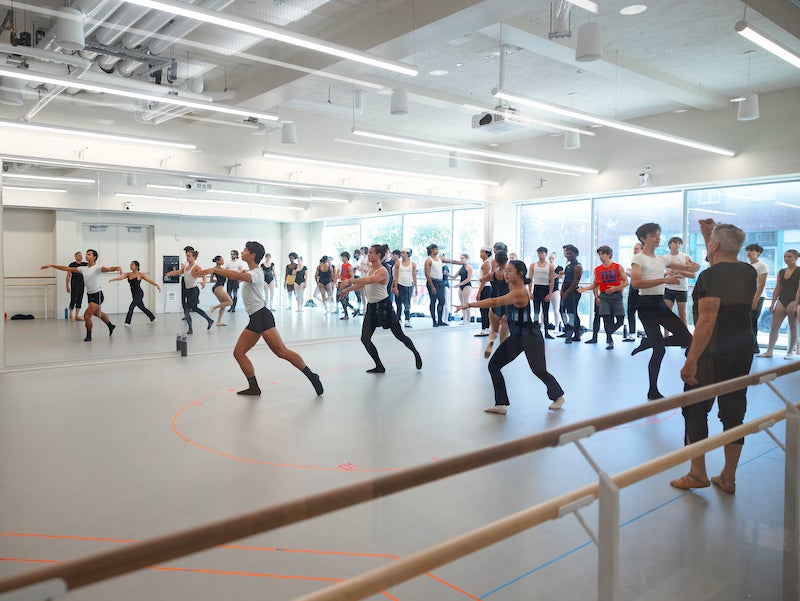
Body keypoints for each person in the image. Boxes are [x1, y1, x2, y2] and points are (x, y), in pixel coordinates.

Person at [670, 220, 757, 494]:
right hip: (742, 349)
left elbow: (707, 321)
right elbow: (721, 263)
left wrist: (691, 359)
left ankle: (697, 473)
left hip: (713, 351)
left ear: (715, 246)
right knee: (734, 411)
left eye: (710, 242)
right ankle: (728, 477)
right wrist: (710, 233)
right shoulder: (748, 271)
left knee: (695, 408)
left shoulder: (710, 276)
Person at [199, 241, 323, 397]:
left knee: (281, 351)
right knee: (239, 353)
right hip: (255, 319)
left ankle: (312, 376)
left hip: (262, 317)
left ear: (253, 255)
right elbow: (239, 275)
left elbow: (239, 276)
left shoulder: (257, 273)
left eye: (245, 250)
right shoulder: (251, 271)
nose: (242, 252)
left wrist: (214, 269)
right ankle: (254, 387)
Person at [456, 260, 566, 414]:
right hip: (517, 336)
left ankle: (558, 396)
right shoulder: (511, 288)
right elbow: (515, 309)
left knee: (539, 370)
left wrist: (468, 305)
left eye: (510, 271)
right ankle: (500, 404)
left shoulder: (519, 292)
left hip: (530, 336)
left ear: (520, 273)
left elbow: (494, 301)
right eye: (505, 270)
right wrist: (508, 318)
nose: (506, 274)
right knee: (494, 365)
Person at [630, 223, 700, 400]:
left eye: (658, 234)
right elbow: (636, 284)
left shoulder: (662, 259)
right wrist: (664, 279)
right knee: (659, 350)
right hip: (646, 306)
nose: (658, 238)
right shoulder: (638, 259)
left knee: (687, 339)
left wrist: (693, 266)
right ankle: (652, 390)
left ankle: (649, 342)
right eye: (653, 235)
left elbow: (691, 269)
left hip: (659, 304)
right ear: (643, 238)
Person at [338, 244, 422, 373]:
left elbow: (371, 280)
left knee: (400, 336)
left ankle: (416, 353)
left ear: (378, 255)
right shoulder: (370, 269)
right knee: (365, 339)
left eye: (371, 253)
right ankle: (379, 366)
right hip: (372, 307)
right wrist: (347, 290)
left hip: (384, 306)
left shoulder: (383, 271)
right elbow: (364, 283)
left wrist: (349, 281)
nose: (369, 255)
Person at [41, 249, 121, 341]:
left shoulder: (97, 268)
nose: (87, 256)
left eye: (89, 254)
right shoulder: (83, 268)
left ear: (94, 257)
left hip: (97, 295)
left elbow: (108, 269)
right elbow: (66, 268)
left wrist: (117, 267)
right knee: (97, 313)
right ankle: (110, 326)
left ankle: (89, 335)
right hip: (90, 295)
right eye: (86, 254)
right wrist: (52, 265)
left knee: (86, 316)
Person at [578, 246, 628, 349]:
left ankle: (609, 333)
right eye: (599, 254)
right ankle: (610, 340)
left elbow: (626, 282)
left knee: (620, 320)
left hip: (616, 296)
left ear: (608, 254)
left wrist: (615, 288)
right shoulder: (597, 269)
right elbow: (595, 284)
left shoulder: (618, 267)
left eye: (603, 254)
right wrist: (585, 288)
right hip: (604, 296)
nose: (600, 256)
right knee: (606, 318)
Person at [758, 249, 799, 359]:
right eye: (785, 256)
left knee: (793, 326)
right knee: (774, 327)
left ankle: (790, 352)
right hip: (782, 300)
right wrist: (772, 303)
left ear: (796, 258)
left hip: (794, 301)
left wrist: (796, 305)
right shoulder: (781, 271)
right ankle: (769, 351)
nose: (786, 259)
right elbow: (777, 288)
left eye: (789, 257)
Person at [165, 248, 214, 335]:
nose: (187, 258)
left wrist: (204, 282)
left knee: (187, 309)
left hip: (194, 291)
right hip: (187, 290)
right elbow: (179, 271)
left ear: (194, 257)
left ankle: (190, 329)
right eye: (186, 256)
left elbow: (203, 274)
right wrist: (170, 273)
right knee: (194, 308)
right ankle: (209, 320)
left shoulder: (196, 267)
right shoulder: (186, 267)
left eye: (189, 256)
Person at [480, 248, 510, 357]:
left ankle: (491, 340)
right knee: (504, 332)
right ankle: (502, 352)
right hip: (506, 304)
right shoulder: (509, 274)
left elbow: (482, 279)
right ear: (507, 260)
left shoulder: (493, 274)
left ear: (496, 261)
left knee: (493, 330)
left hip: (494, 304)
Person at [109, 260, 161, 326]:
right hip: (134, 294)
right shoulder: (128, 274)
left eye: (132, 264)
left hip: (139, 293)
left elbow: (149, 280)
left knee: (131, 307)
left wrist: (157, 285)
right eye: (130, 264)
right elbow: (121, 277)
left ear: (136, 266)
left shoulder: (140, 275)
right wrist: (114, 279)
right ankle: (153, 318)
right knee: (142, 308)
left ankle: (127, 322)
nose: (130, 266)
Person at [663, 236, 694, 326]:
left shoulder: (686, 257)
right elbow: (659, 275)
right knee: (667, 314)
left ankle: (685, 334)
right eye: (675, 242)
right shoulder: (664, 258)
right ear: (670, 244)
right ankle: (666, 334)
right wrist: (667, 273)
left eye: (679, 243)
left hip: (681, 289)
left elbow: (693, 275)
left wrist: (679, 271)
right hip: (668, 288)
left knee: (682, 314)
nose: (677, 245)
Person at [745, 243, 769, 354]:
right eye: (748, 250)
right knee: (747, 322)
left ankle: (754, 347)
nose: (749, 252)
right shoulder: (747, 265)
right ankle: (749, 346)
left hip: (757, 297)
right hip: (746, 296)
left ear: (758, 252)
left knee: (752, 321)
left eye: (752, 250)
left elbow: (761, 284)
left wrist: (755, 299)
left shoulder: (762, 265)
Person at [528, 246, 555, 338]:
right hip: (537, 289)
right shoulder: (533, 265)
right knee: (536, 311)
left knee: (545, 311)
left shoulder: (550, 266)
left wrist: (550, 294)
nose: (540, 255)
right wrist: (530, 292)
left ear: (546, 254)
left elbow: (552, 281)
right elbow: (530, 279)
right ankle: (535, 331)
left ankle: (546, 332)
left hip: (545, 289)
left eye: (542, 253)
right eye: (539, 253)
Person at [559, 244, 583, 343]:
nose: (568, 255)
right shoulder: (568, 266)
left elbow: (575, 282)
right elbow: (565, 280)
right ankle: (569, 329)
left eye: (570, 253)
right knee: (561, 311)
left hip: (573, 293)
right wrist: (562, 291)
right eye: (567, 253)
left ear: (576, 254)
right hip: (565, 291)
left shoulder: (578, 266)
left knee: (572, 313)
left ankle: (572, 334)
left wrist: (567, 292)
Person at [622, 242, 643, 342]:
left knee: (643, 313)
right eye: (634, 248)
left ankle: (648, 334)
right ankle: (632, 334)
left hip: (642, 290)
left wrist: (627, 273)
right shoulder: (634, 261)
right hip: (632, 289)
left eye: (637, 249)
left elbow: (639, 276)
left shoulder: (644, 261)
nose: (635, 250)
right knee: (630, 312)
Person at [392, 248, 417, 327]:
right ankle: (398, 319)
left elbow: (414, 276)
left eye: (403, 253)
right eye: (401, 253)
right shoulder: (398, 264)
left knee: (407, 304)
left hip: (409, 285)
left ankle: (407, 320)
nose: (402, 254)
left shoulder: (413, 264)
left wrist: (416, 288)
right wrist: (395, 287)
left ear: (408, 254)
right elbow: (395, 276)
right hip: (400, 285)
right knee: (399, 303)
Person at [424, 243, 448, 327]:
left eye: (438, 249)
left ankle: (440, 320)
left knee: (442, 300)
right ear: (432, 250)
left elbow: (450, 261)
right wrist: (432, 286)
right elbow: (427, 274)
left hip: (440, 281)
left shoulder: (439, 259)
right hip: (433, 281)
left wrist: (461, 263)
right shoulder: (428, 260)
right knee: (433, 301)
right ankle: (434, 320)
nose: (437, 251)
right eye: (436, 249)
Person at [474, 246, 492, 337]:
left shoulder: (486, 264)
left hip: (485, 287)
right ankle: (486, 329)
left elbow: (484, 279)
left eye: (482, 252)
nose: (480, 253)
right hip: (485, 287)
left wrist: (479, 292)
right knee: (485, 309)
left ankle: (484, 329)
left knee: (483, 308)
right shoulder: (485, 263)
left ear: (487, 253)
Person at [209, 255, 233, 325]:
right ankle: (213, 308)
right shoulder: (221, 269)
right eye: (221, 260)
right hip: (218, 288)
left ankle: (218, 321)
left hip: (216, 287)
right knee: (230, 302)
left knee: (223, 304)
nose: (223, 261)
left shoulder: (214, 269)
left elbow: (211, 280)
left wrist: (218, 281)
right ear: (217, 261)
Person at [452, 253, 473, 325]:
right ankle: (464, 319)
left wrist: (460, 284)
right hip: (461, 286)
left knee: (466, 303)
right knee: (461, 303)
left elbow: (468, 279)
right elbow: (454, 277)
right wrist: (447, 274)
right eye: (460, 258)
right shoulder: (461, 268)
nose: (461, 260)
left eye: (463, 258)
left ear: (467, 259)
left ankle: (468, 320)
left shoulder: (469, 267)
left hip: (467, 285)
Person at [66, 251, 87, 321]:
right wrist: (67, 286)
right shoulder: (72, 264)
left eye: (81, 255)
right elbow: (68, 275)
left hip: (82, 283)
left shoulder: (85, 264)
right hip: (74, 284)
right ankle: (71, 315)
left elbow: (92, 265)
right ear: (75, 257)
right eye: (79, 255)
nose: (81, 257)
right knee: (73, 299)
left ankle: (77, 316)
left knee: (80, 299)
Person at [337, 251, 357, 319]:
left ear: (347, 258)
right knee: (342, 299)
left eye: (343, 257)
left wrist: (347, 282)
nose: (342, 258)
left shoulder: (349, 266)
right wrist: (336, 279)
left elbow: (352, 276)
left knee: (342, 298)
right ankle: (353, 309)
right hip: (342, 283)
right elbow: (342, 274)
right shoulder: (343, 265)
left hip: (346, 284)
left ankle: (347, 314)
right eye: (342, 257)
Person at [548, 252, 564, 334]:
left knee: (556, 309)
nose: (551, 260)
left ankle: (557, 326)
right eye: (550, 258)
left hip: (555, 290)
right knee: (544, 309)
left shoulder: (559, 268)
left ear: (556, 259)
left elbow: (562, 276)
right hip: (547, 289)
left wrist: (557, 275)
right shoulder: (546, 267)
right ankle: (543, 326)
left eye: (553, 258)